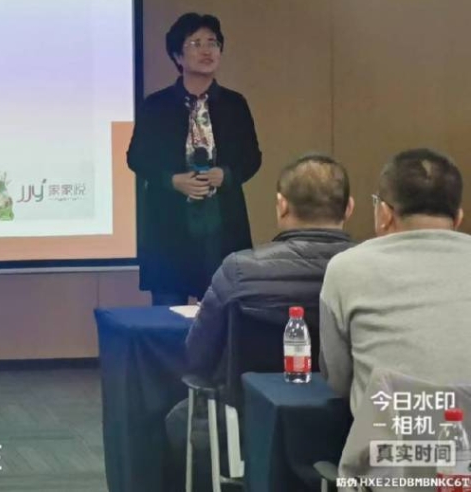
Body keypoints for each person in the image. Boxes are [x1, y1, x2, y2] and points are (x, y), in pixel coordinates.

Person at [164, 154, 355, 491]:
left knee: (181, 418)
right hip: (352, 422)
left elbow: (197, 356)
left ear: (281, 206)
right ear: (349, 208)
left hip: (248, 423)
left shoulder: (239, 270)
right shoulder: (374, 271)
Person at [320, 148, 471, 414]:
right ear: (458, 218)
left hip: (389, 439)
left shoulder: (347, 268)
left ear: (385, 214)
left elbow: (337, 379)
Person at [127, 13, 262, 305]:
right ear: (178, 55)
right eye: (196, 43)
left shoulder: (235, 104)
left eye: (213, 43)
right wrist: (172, 181)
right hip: (169, 226)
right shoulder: (157, 105)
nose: (206, 50)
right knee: (168, 314)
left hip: (221, 225)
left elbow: (252, 157)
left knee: (222, 314)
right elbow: (137, 157)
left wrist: (226, 175)